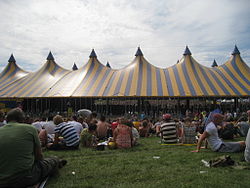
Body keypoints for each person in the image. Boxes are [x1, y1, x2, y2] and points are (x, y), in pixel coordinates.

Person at [0, 108, 66, 188]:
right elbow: (39, 157)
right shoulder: (30, 129)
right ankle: (57, 162)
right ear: (23, 119)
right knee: (52, 160)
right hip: (25, 177)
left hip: (2, 181)